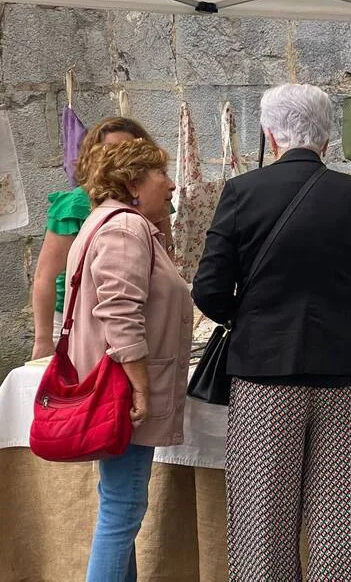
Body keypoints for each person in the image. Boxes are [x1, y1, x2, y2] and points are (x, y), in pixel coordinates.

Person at [192, 83, 351, 581]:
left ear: (270, 135)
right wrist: (346, 316)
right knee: (345, 527)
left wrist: (253, 318)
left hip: (265, 374)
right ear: (327, 138)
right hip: (347, 374)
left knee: (261, 527)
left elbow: (209, 290)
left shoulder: (242, 192)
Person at [66, 138, 192, 582]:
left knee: (119, 504)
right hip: (123, 388)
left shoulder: (116, 222)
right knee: (122, 509)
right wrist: (140, 386)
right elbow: (120, 314)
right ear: (133, 182)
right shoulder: (124, 229)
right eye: (162, 174)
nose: (172, 185)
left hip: (115, 382)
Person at [31, 117, 173, 360]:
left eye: (128, 150)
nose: (119, 159)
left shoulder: (152, 200)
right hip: (76, 316)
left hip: (137, 308)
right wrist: (43, 340)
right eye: (111, 151)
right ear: (94, 158)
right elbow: (46, 276)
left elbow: (166, 255)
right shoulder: (75, 204)